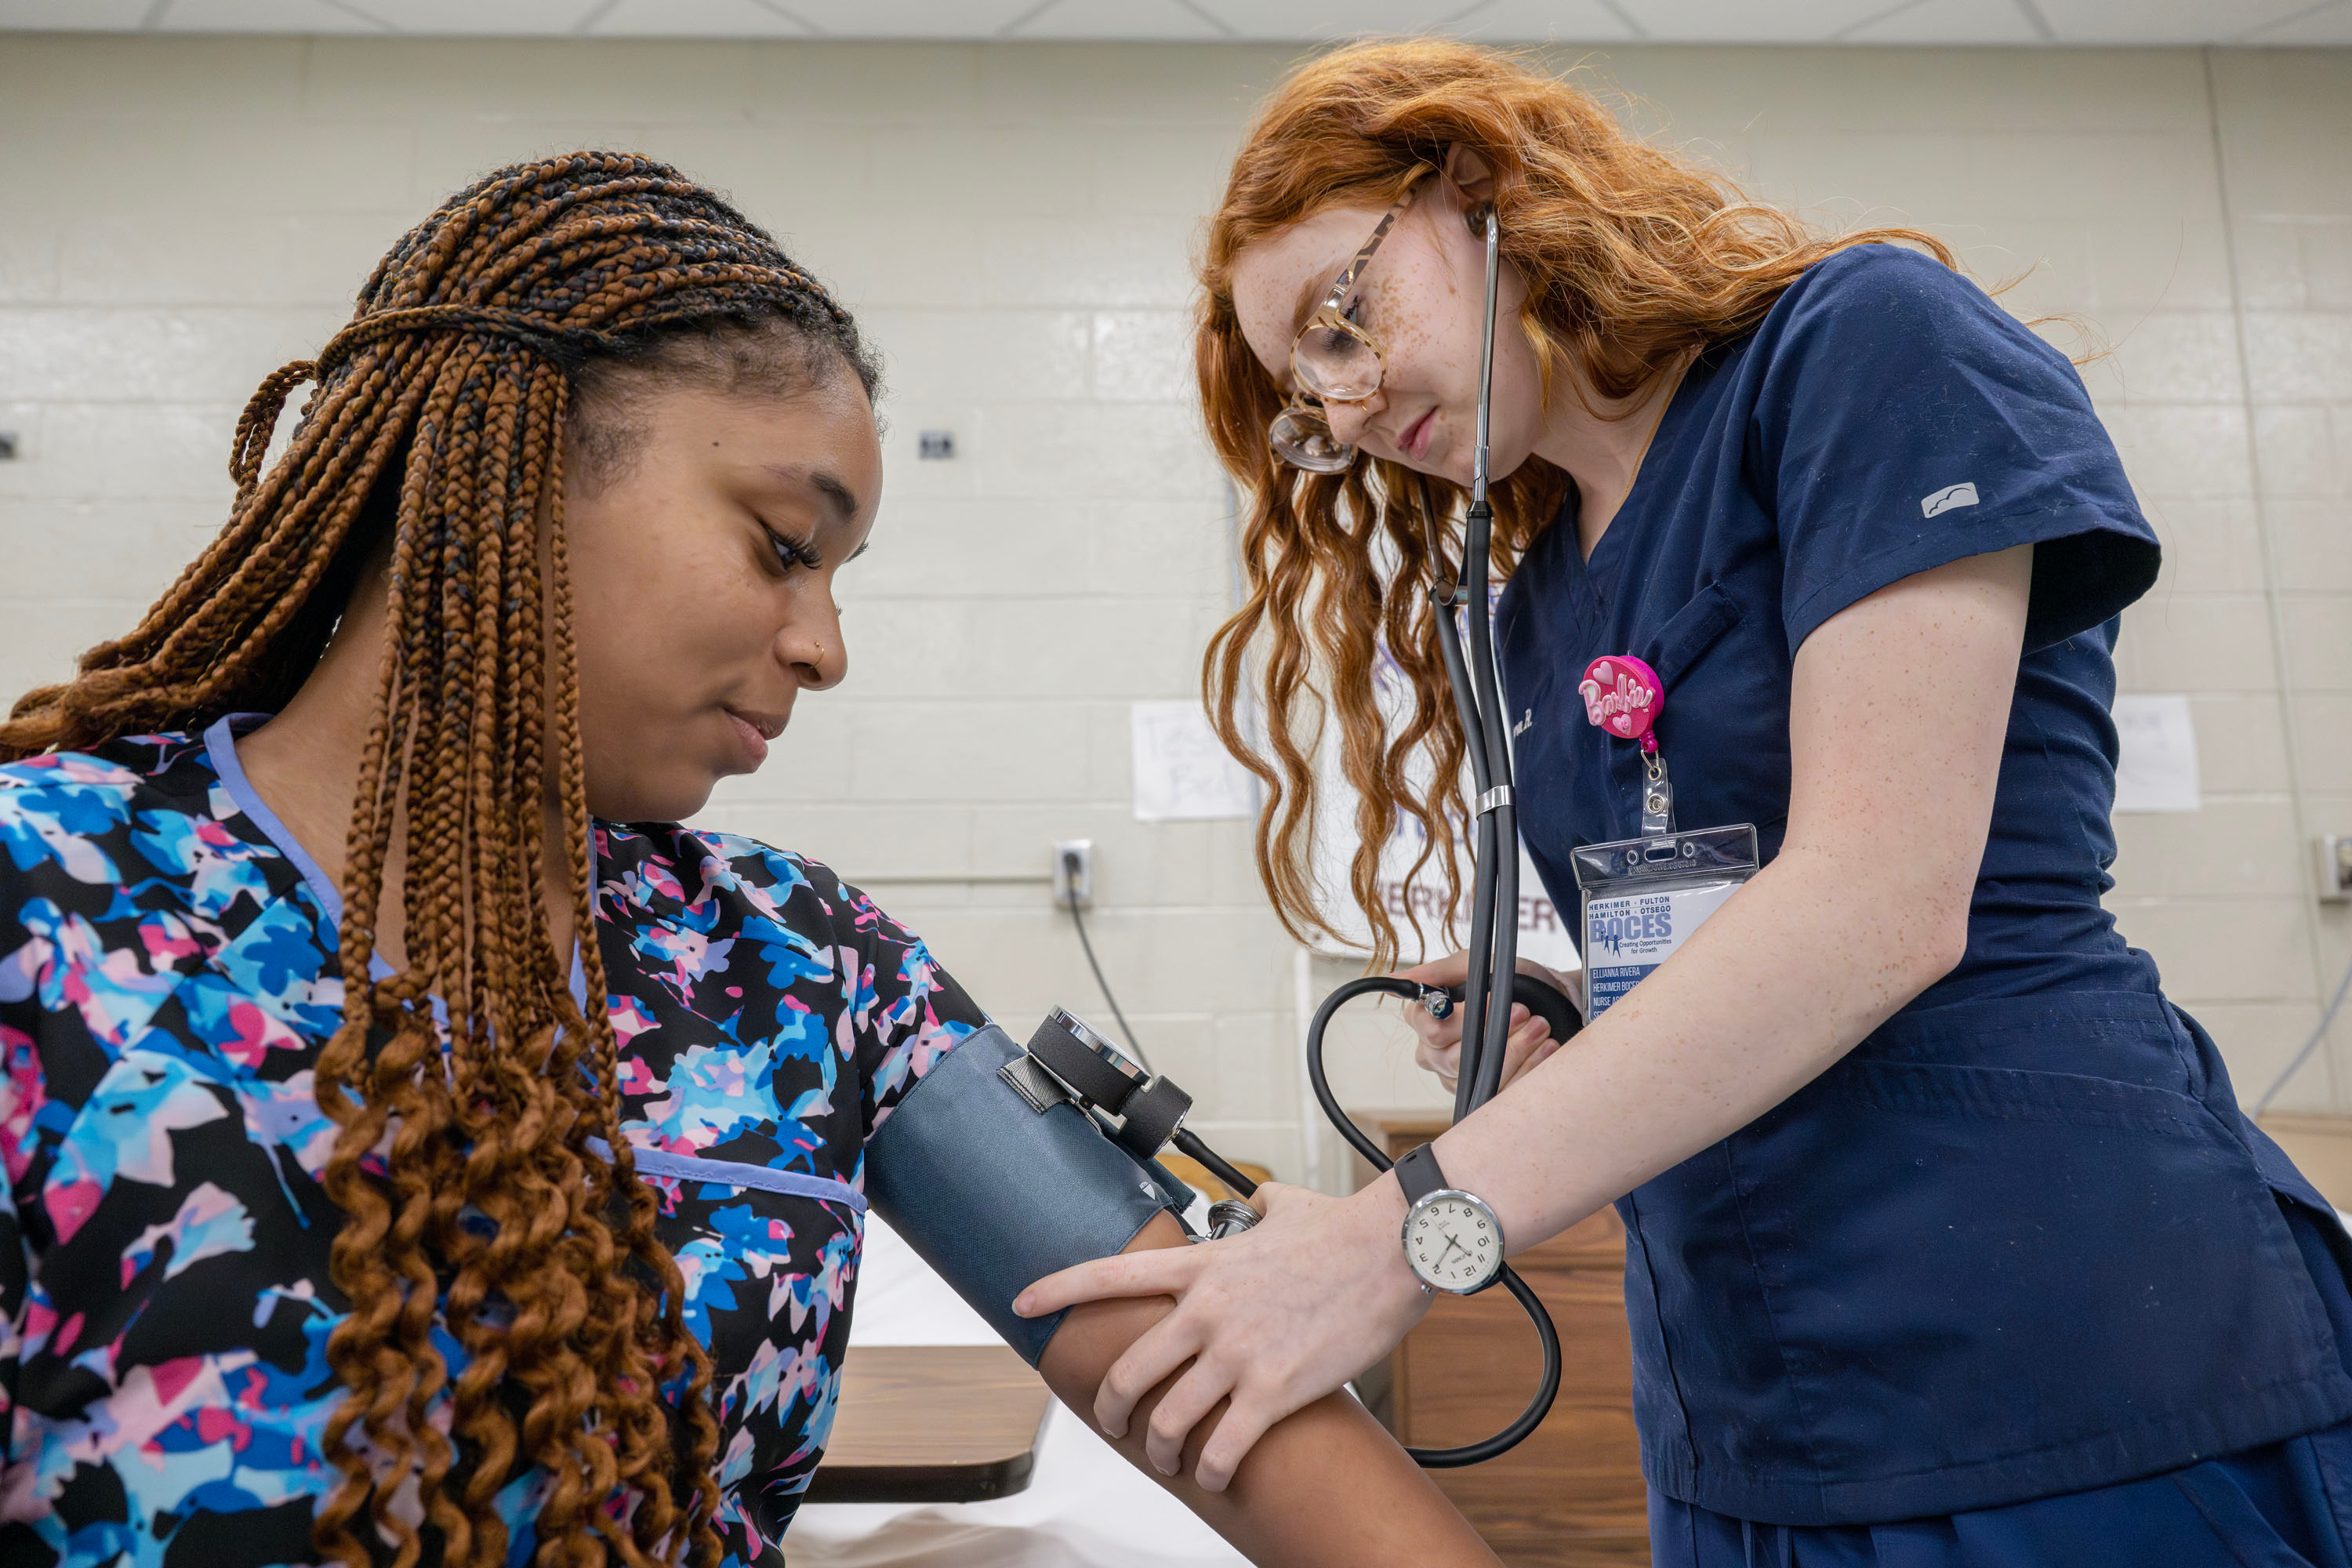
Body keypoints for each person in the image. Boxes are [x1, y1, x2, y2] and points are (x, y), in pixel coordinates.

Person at [0, 153, 1500, 1568]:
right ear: (509, 476)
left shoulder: (804, 969)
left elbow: (1260, 1437)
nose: (825, 647)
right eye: (787, 545)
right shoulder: (44, 902)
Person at [1016, 41, 2352, 1566]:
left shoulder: (1861, 351)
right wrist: (1573, 1012)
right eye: (1303, 388)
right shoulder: (1532, 609)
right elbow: (1721, 917)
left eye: (1343, 315)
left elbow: (1876, 900)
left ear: (1471, 186)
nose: (1345, 393)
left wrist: (1411, 1226)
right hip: (1746, 1401)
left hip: (2059, 1337)